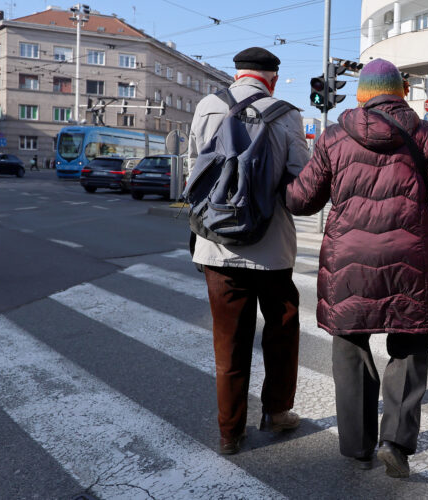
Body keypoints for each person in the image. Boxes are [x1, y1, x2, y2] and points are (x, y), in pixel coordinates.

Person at [286, 58, 428, 477]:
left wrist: (284, 184)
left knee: (350, 346)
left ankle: (357, 445)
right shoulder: (423, 133)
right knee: (409, 346)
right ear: (400, 92)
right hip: (412, 256)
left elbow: (302, 200)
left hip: (349, 259)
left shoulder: (334, 137)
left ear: (362, 95)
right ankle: (396, 443)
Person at [187, 47, 310, 455]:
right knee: (281, 333)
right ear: (272, 78)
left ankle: (229, 433)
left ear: (237, 74)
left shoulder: (207, 106)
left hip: (217, 247)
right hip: (272, 248)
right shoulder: (287, 113)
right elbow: (300, 185)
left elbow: (193, 175)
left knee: (229, 342)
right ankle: (276, 413)